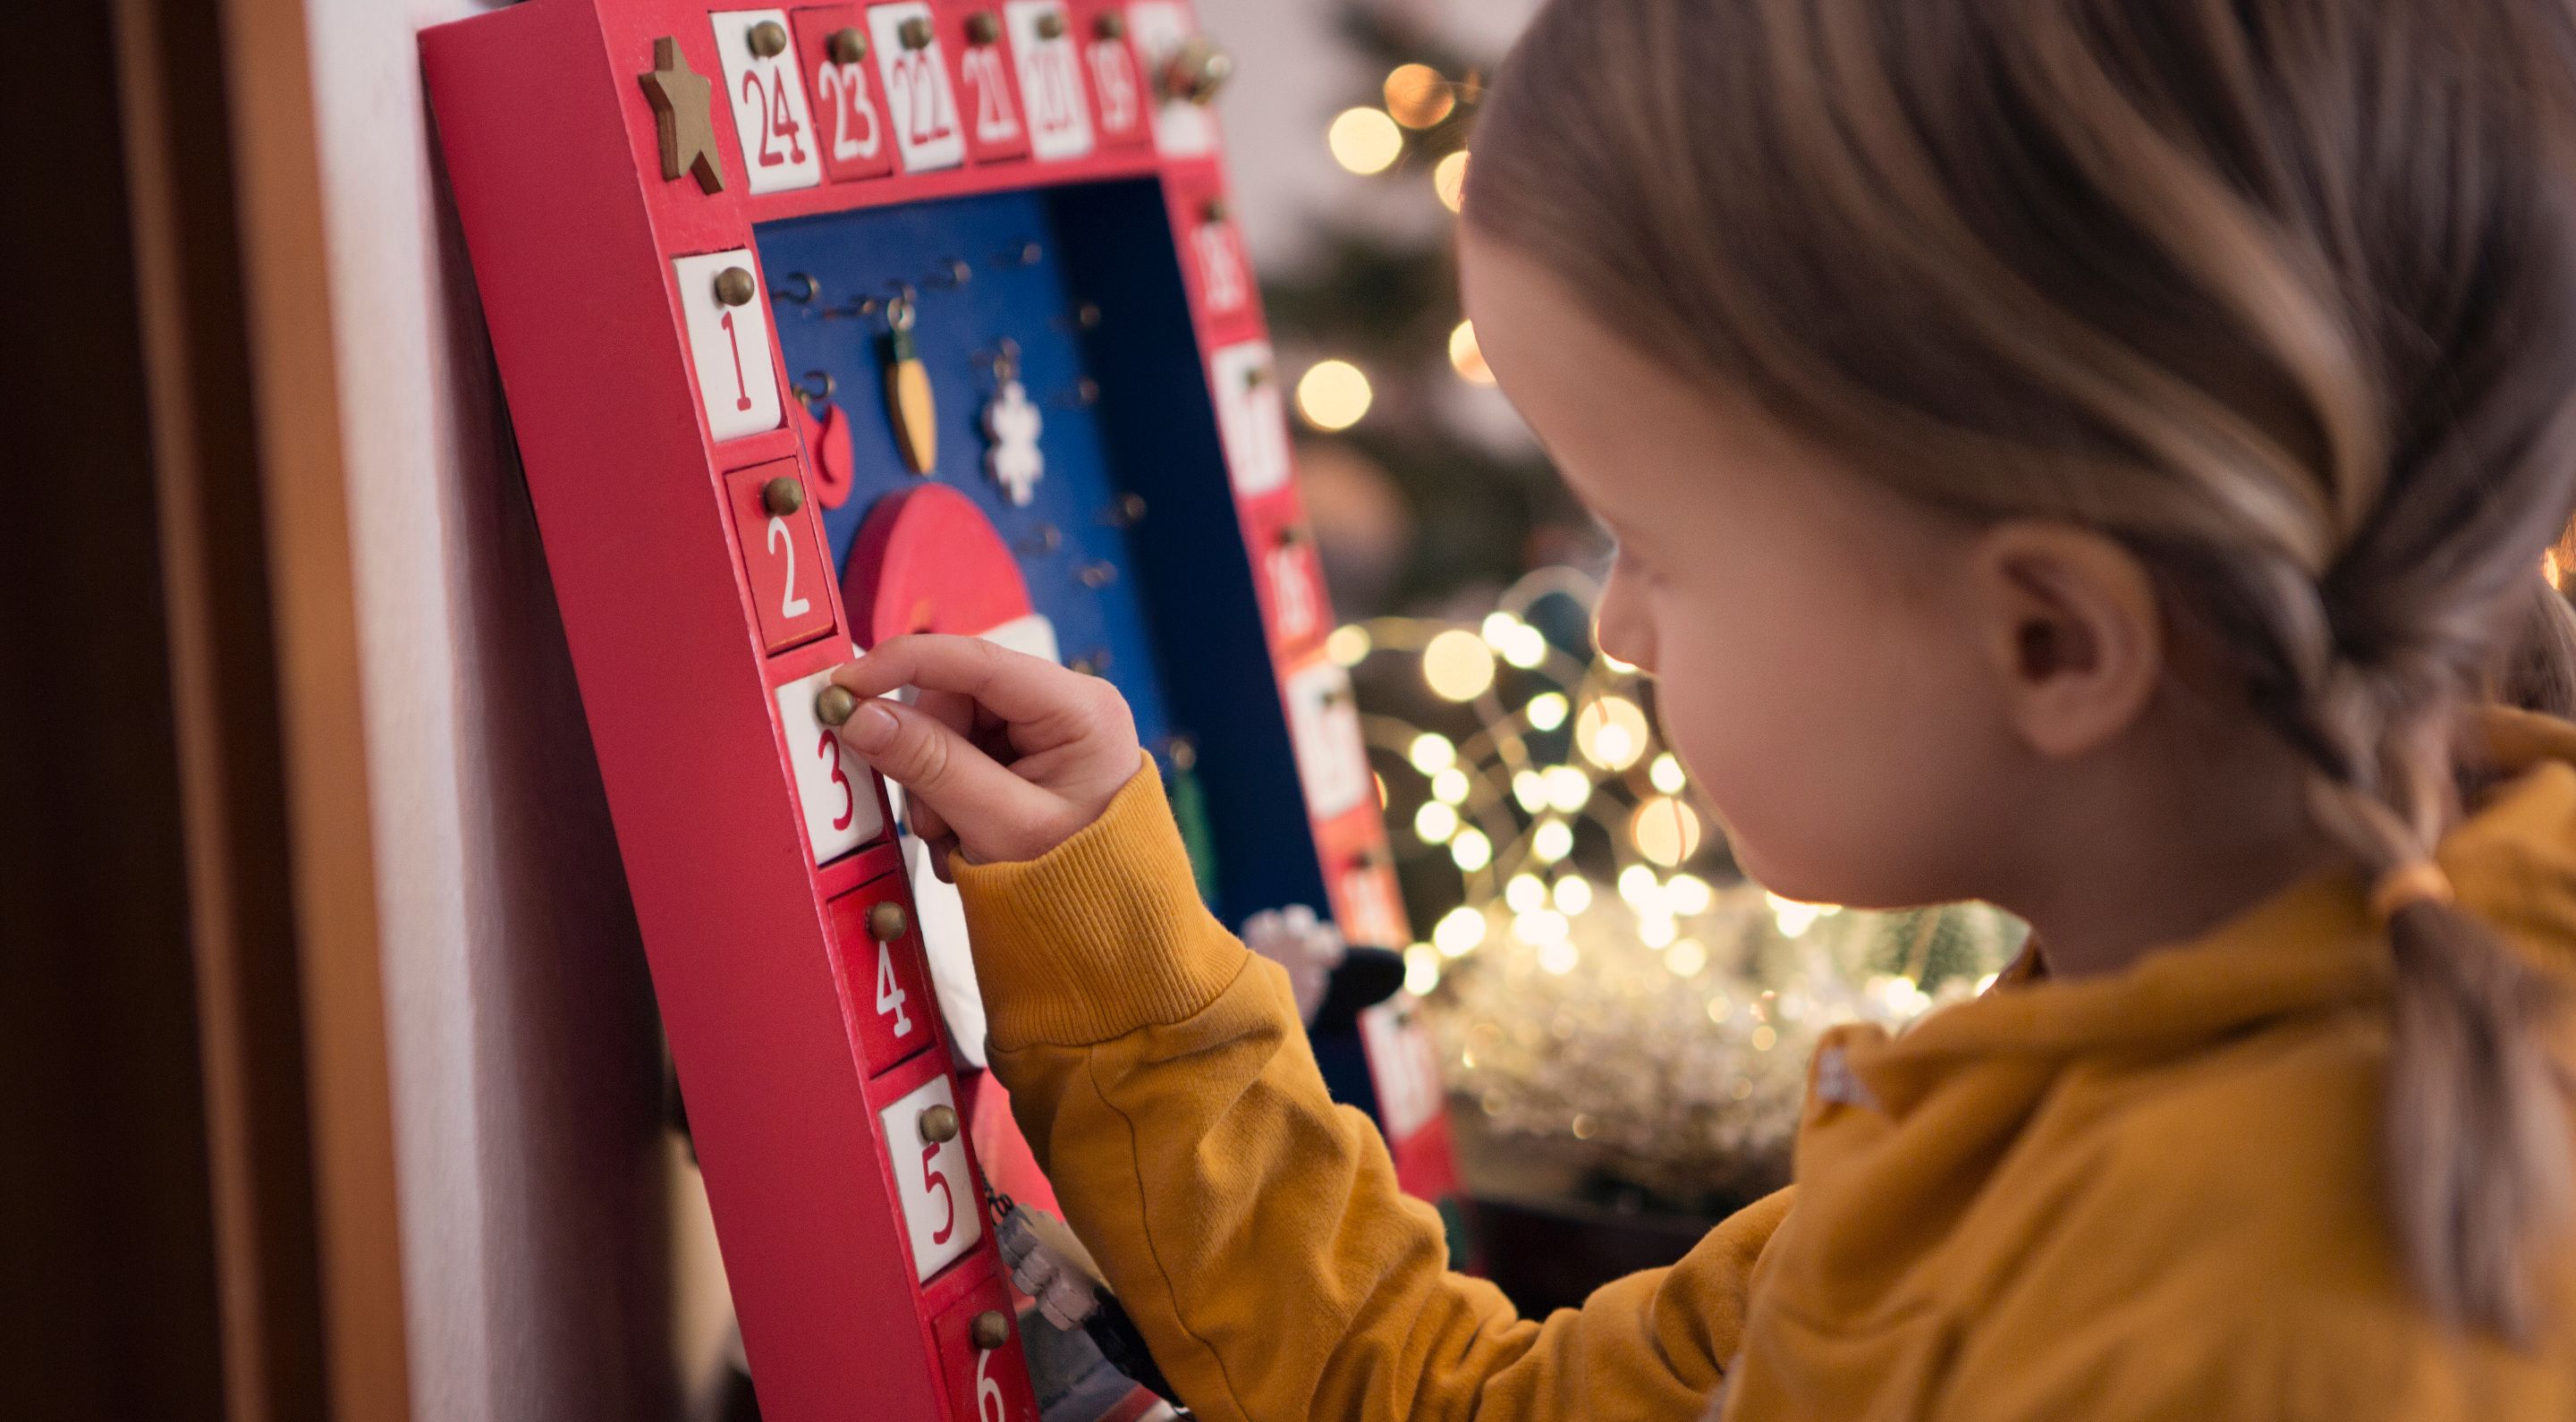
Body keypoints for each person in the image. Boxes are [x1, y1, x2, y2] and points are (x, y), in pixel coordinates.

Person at [826, 0, 2576, 1415]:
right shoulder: (2052, 1087)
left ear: (2052, 640)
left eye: (1651, 543)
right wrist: (1112, 953)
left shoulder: (2275, 1312)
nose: (1618, 634)